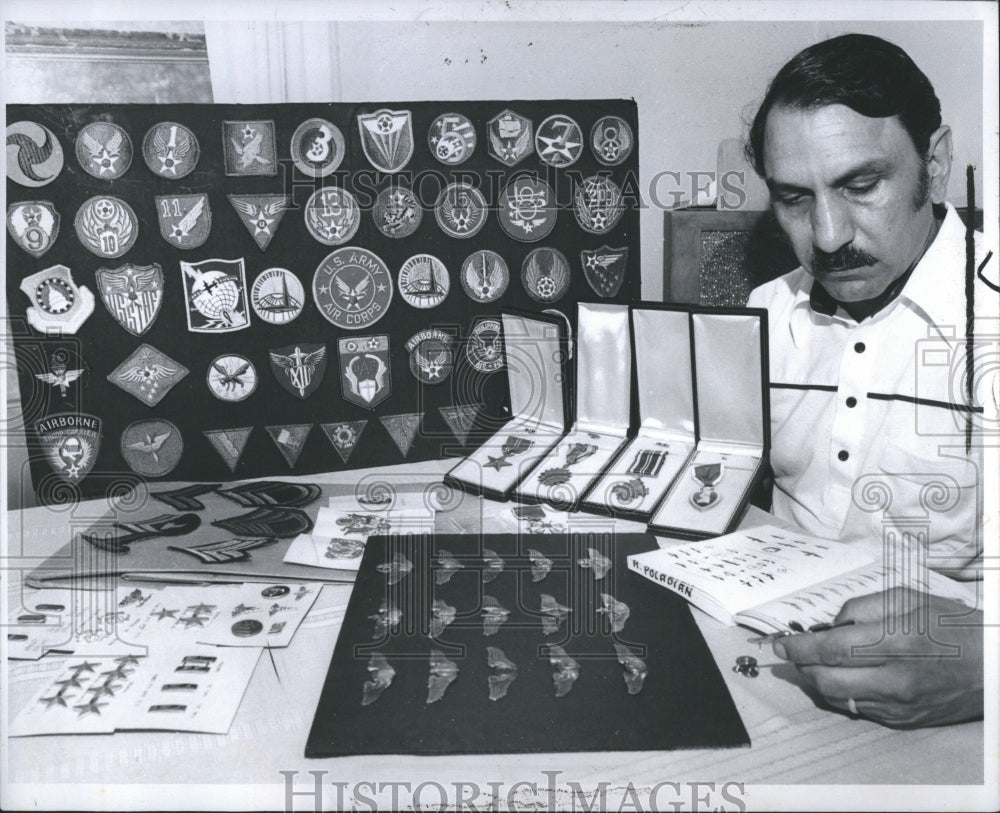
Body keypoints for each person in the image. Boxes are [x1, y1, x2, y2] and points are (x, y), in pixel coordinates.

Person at [743, 33, 996, 727]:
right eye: (794, 198)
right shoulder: (764, 312)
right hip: (774, 664)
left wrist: (988, 672)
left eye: (861, 186)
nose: (828, 236)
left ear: (935, 163)